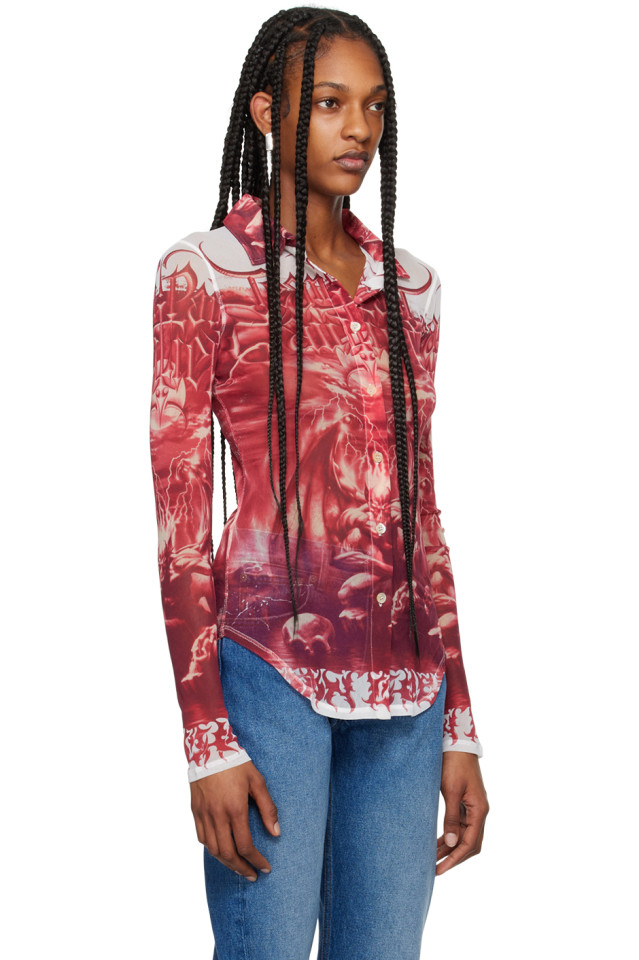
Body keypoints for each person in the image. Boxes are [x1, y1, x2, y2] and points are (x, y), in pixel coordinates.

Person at [149, 6, 489, 958]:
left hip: (409, 692)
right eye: (330, 103)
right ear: (268, 113)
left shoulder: (411, 290)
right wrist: (206, 737)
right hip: (271, 675)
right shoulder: (207, 274)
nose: (359, 129)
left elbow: (420, 515)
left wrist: (459, 723)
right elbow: (181, 524)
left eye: (374, 106)